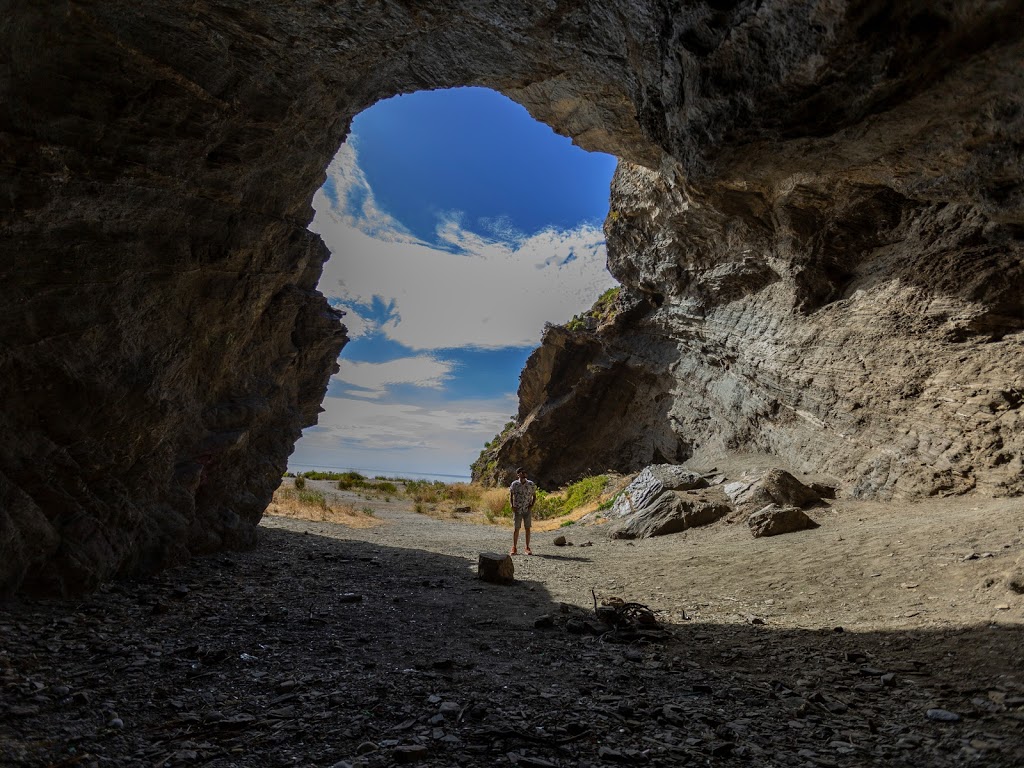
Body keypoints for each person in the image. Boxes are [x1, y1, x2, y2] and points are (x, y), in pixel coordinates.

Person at [508, 467, 537, 555]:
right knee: (516, 528)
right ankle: (514, 547)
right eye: (522, 472)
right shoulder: (514, 484)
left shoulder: (531, 484)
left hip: (527, 509)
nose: (524, 474)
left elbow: (534, 495)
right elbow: (511, 495)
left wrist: (531, 505)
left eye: (525, 472)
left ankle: (527, 547)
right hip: (517, 509)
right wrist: (512, 505)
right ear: (518, 474)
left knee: (527, 528)